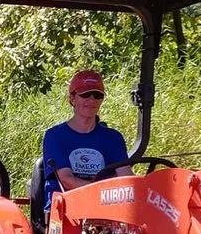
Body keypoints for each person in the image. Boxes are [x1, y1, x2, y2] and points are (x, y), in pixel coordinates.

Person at [42, 70, 133, 214]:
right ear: (72, 98)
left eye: (97, 95)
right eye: (85, 94)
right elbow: (66, 179)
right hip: (65, 209)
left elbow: (126, 178)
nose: (91, 100)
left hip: (107, 208)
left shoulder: (113, 138)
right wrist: (101, 195)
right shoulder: (55, 136)